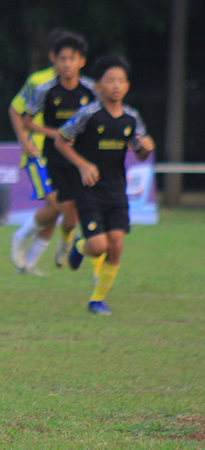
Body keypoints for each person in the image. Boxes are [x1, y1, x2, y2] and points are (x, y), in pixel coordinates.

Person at [55, 53, 153, 315]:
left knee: (116, 244)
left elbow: (139, 151)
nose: (116, 85)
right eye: (110, 81)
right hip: (88, 189)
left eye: (121, 81)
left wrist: (145, 148)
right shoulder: (88, 114)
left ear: (127, 86)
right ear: (98, 86)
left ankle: (96, 300)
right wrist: (82, 164)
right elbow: (61, 140)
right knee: (98, 246)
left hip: (116, 189)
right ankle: (79, 246)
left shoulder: (131, 117)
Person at [20, 31, 96, 277]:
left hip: (83, 158)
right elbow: (27, 121)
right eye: (62, 59)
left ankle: (65, 244)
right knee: (66, 212)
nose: (66, 64)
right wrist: (54, 133)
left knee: (75, 217)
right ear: (55, 61)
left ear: (81, 61)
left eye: (71, 59)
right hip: (55, 158)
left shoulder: (92, 90)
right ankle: (32, 242)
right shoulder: (45, 90)